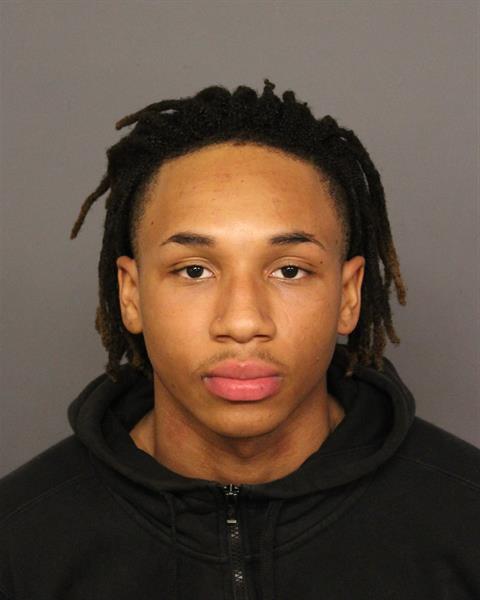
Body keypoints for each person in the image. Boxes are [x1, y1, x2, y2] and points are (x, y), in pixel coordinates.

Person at [0, 79, 479, 600]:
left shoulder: (465, 518)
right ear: (131, 295)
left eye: (290, 270)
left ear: (348, 295)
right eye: (194, 271)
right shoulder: (18, 543)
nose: (243, 321)